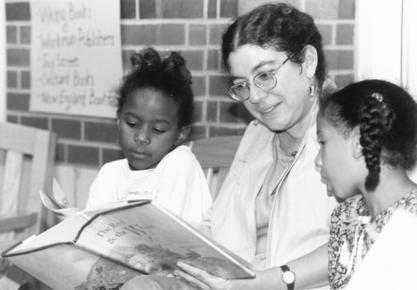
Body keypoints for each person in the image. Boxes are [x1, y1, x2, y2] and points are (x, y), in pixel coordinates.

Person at [122, 3, 337, 290]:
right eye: (242, 85)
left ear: (308, 62)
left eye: (264, 75)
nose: (256, 97)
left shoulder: (347, 136)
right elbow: (221, 226)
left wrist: (267, 282)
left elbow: (362, 240)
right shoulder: (258, 135)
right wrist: (163, 252)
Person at [85, 47, 212, 224]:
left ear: (180, 134)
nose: (142, 137)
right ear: (118, 120)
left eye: (158, 129)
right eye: (132, 124)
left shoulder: (180, 164)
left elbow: (164, 237)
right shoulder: (109, 176)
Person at [314, 79, 417, 289]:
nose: (317, 160)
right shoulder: (345, 217)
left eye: (323, 142)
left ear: (359, 143)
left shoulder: (411, 221)